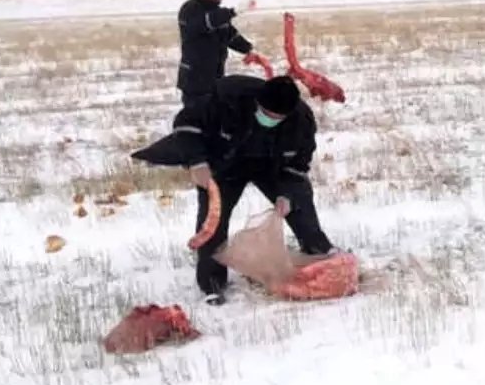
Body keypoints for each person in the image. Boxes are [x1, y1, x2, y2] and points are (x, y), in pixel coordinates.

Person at [132, 74, 336, 305]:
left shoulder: (301, 122)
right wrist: (197, 162)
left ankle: (321, 252)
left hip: (269, 165)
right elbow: (187, 126)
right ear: (257, 102)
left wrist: (287, 196)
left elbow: (298, 165)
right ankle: (212, 283)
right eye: (266, 113)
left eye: (276, 118)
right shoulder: (227, 98)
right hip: (225, 163)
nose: (270, 119)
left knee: (300, 203)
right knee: (213, 221)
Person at [177, 0, 255, 106]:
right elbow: (205, 23)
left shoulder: (217, 13)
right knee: (195, 116)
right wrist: (232, 12)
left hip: (214, 76)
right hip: (194, 79)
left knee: (212, 116)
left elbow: (229, 35)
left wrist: (247, 49)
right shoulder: (190, 10)